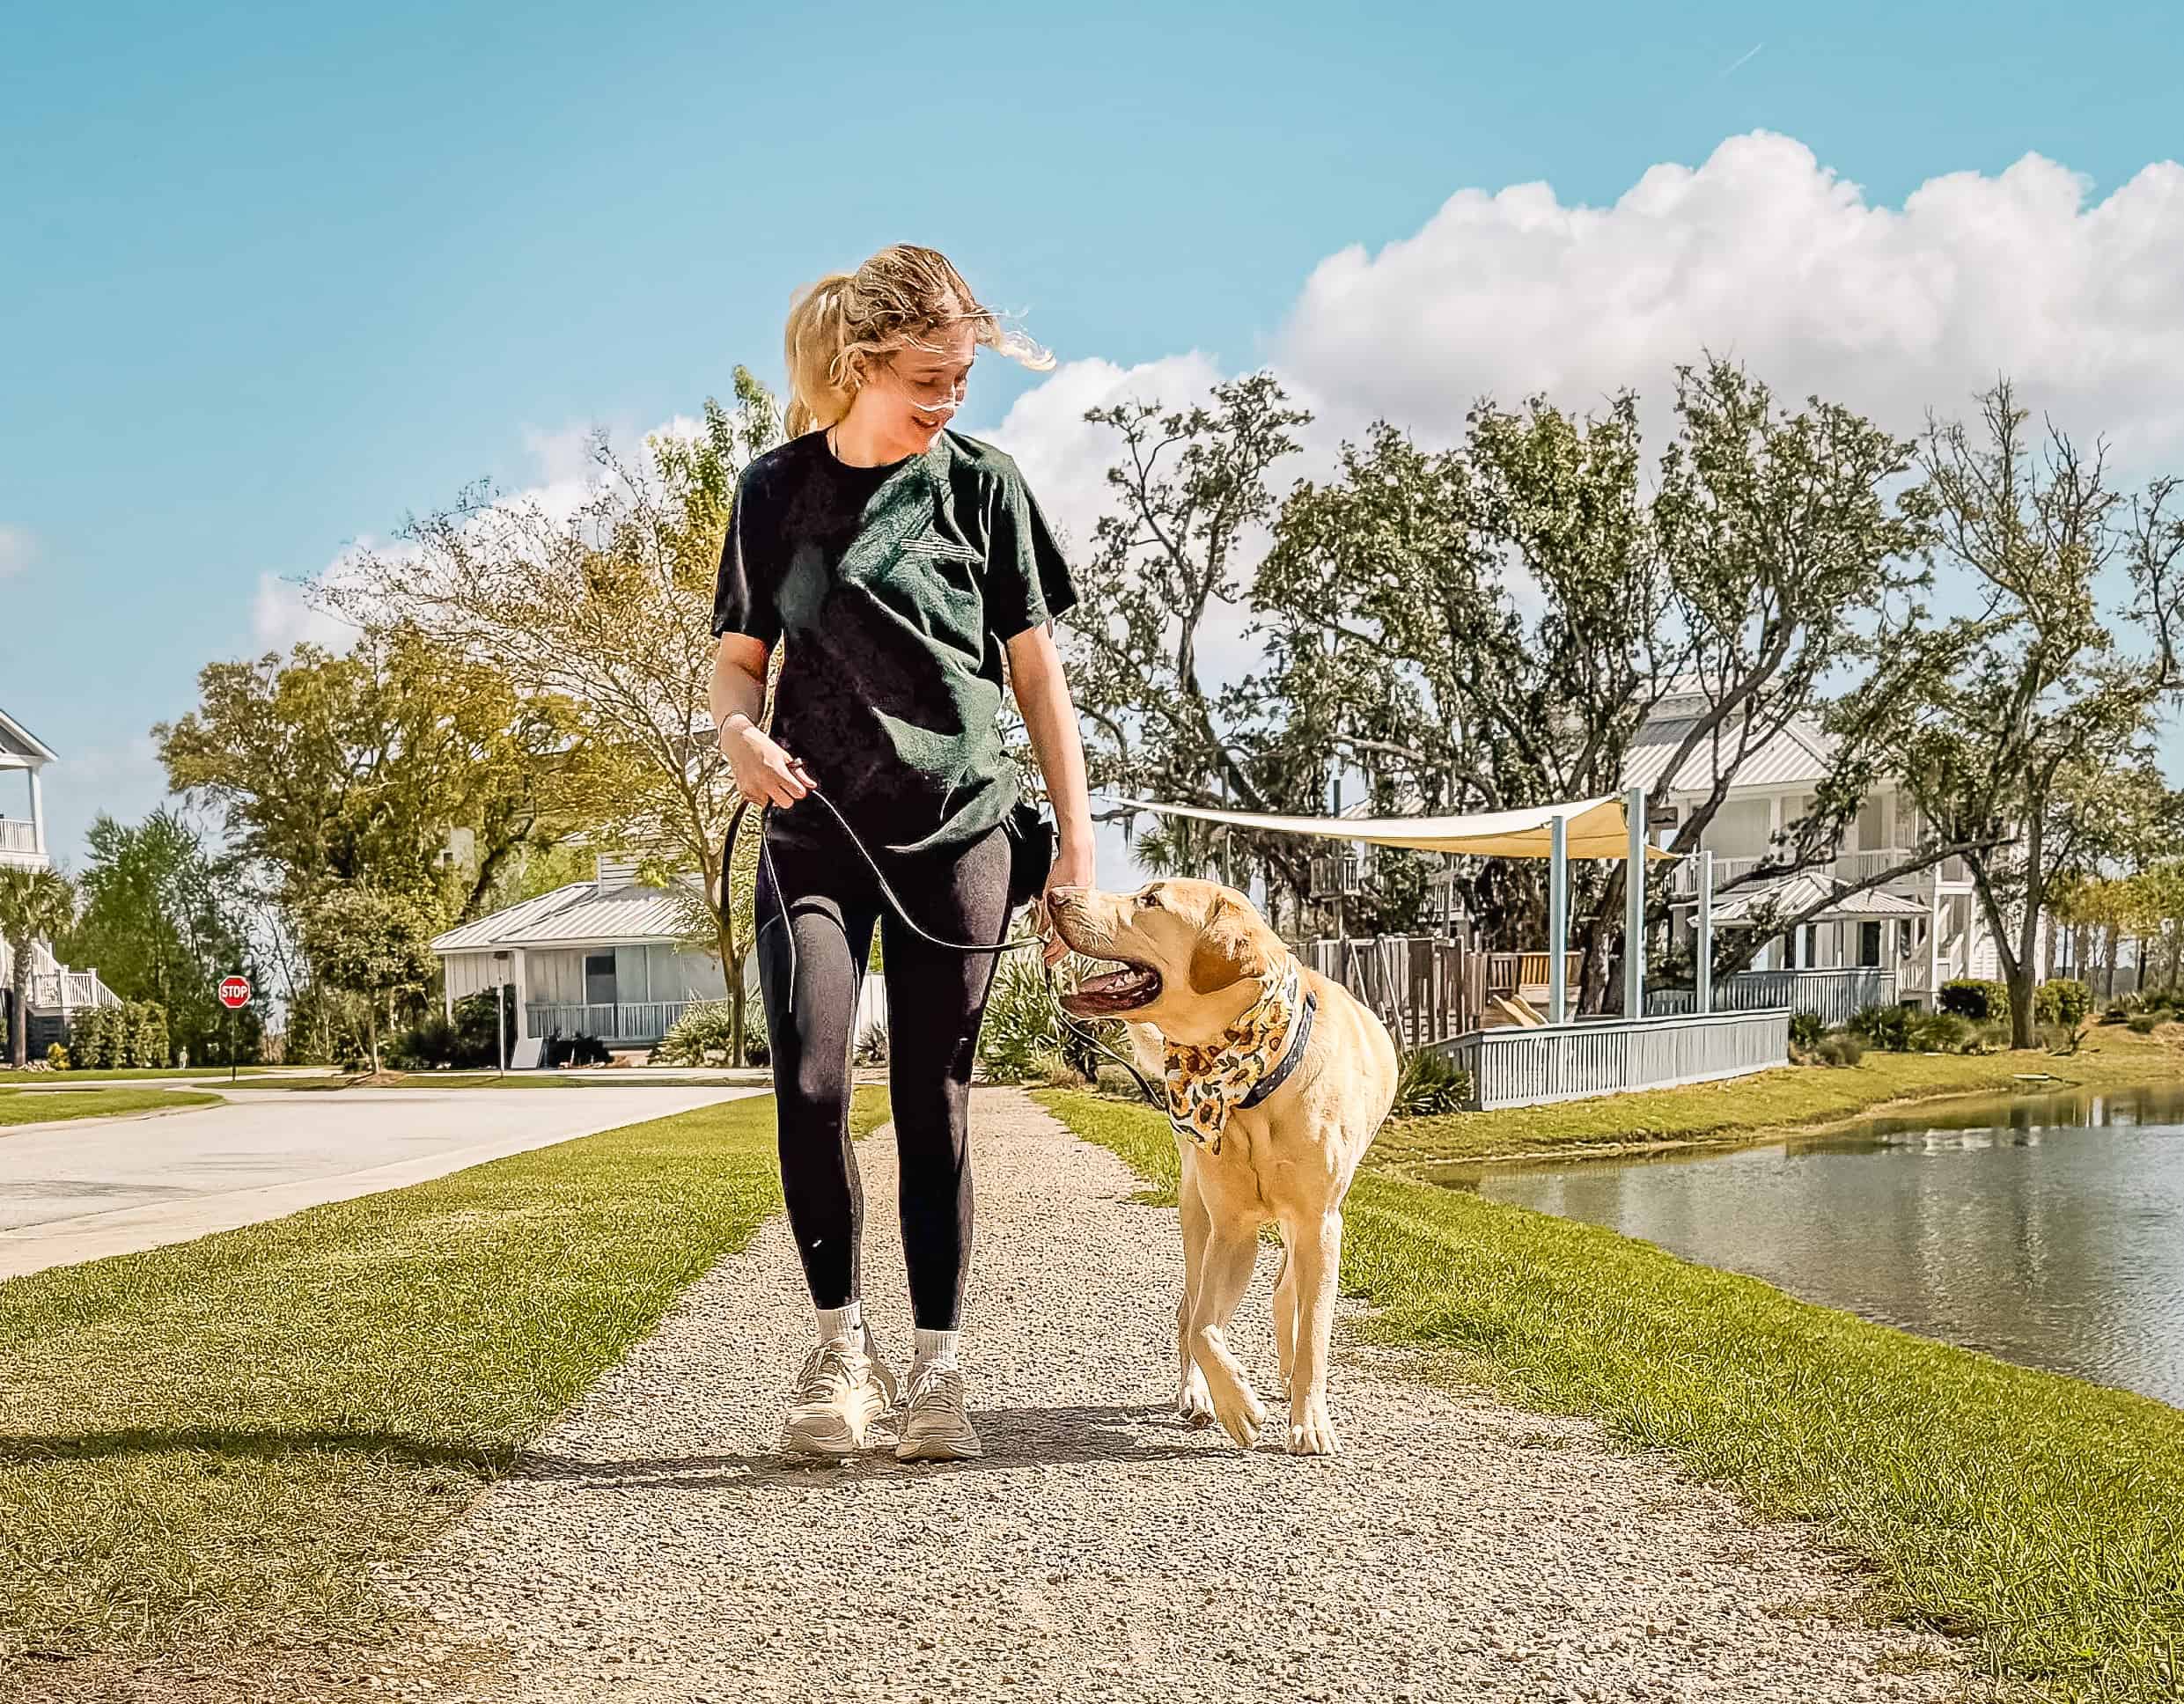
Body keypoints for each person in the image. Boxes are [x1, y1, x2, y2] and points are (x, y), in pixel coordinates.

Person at [710, 244, 1095, 1462]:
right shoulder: (773, 493)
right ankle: (840, 1358)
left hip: (960, 832)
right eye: (929, 379)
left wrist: (1074, 848)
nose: (947, 402)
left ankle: (938, 1373)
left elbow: (1037, 678)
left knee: (935, 1105)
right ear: (857, 364)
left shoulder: (983, 487)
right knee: (813, 1083)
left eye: (960, 381)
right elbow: (739, 657)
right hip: (812, 827)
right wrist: (734, 735)